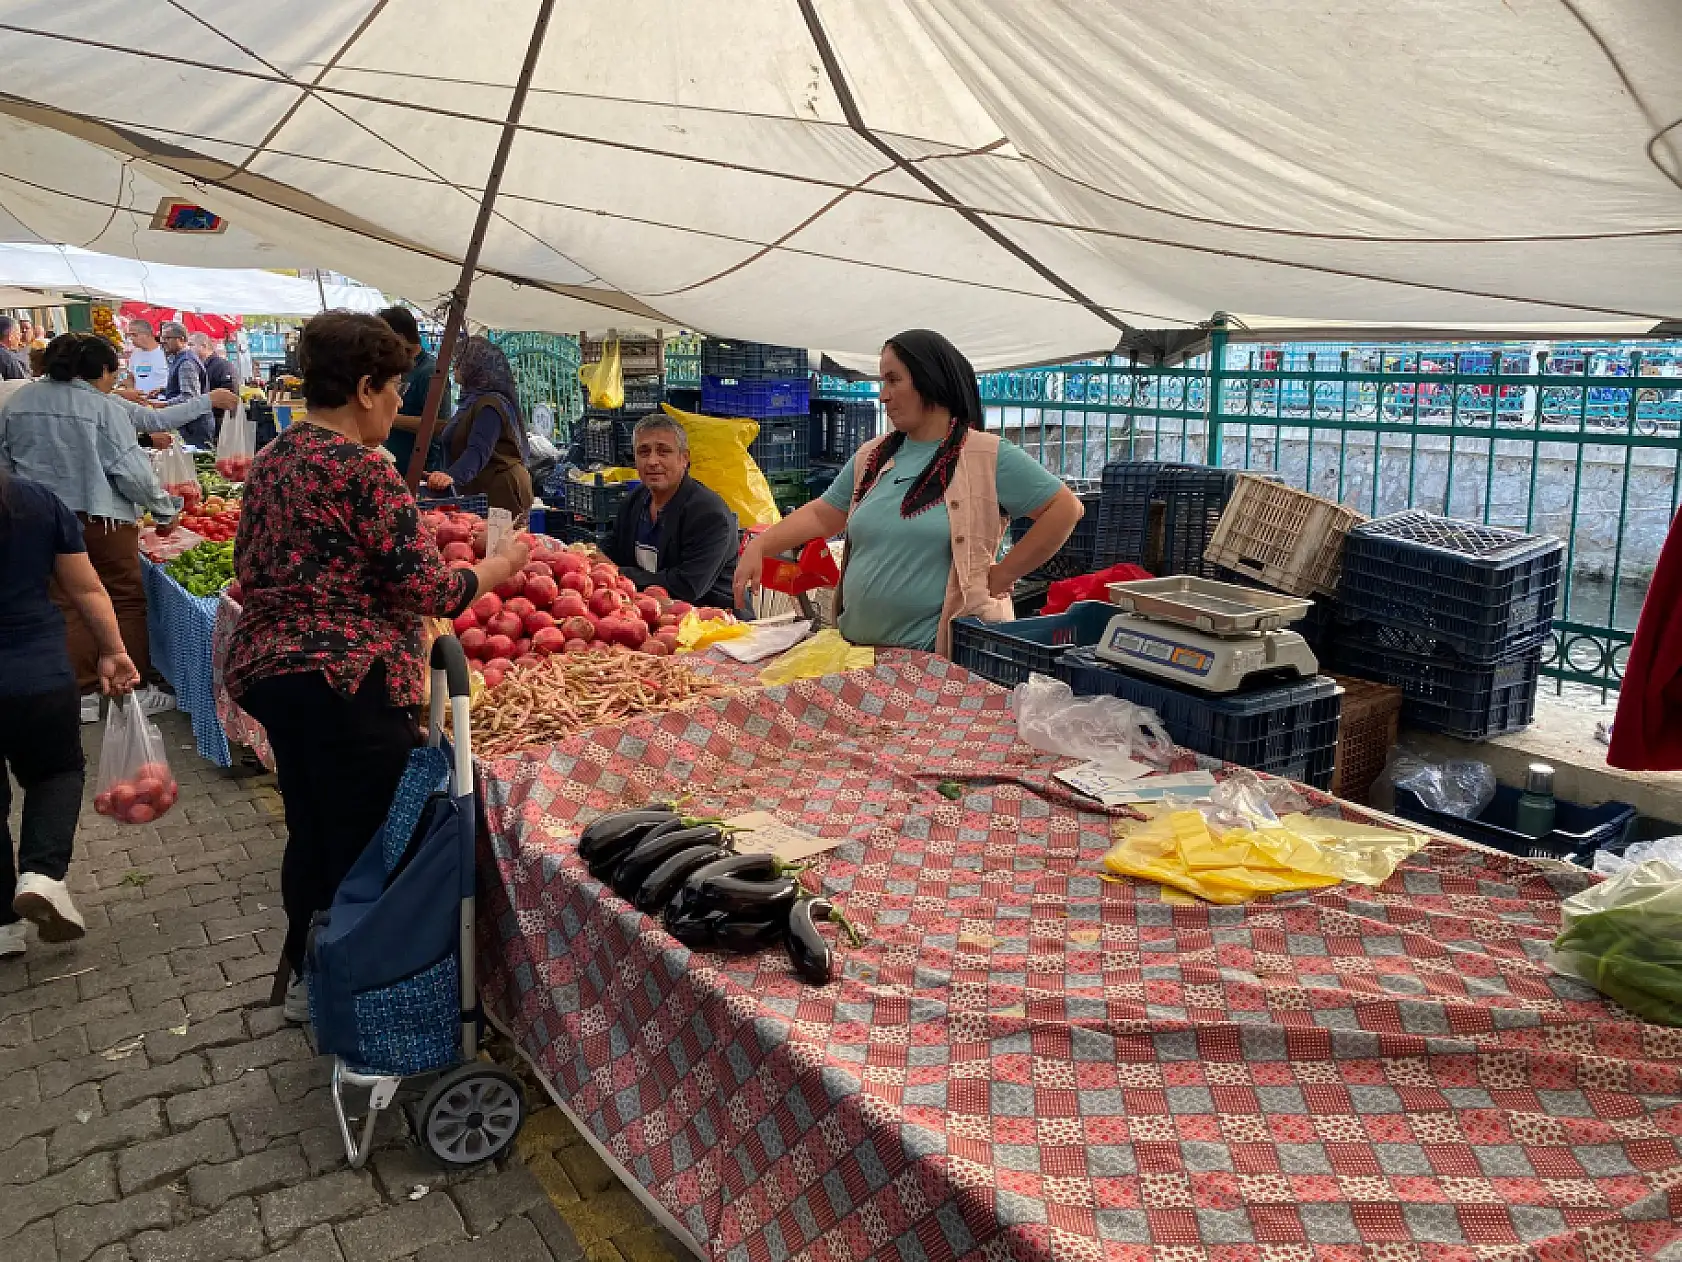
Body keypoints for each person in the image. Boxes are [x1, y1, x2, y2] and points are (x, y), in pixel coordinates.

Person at [225, 310, 529, 1021]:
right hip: (345, 683)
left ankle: (312, 965)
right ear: (365, 388)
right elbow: (428, 589)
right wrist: (496, 568)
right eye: (394, 389)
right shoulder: (363, 470)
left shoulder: (277, 456)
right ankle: (368, 998)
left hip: (271, 674)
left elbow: (250, 567)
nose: (400, 405)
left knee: (313, 822)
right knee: (372, 839)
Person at [735, 329, 1084, 656]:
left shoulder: (986, 455)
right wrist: (762, 544)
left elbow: (1065, 510)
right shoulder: (872, 456)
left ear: (930, 380)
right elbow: (823, 513)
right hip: (861, 654)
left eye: (893, 380)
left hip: (941, 662)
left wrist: (1005, 573)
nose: (883, 394)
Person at [0, 333, 181, 719]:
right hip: (102, 519)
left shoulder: (19, 401)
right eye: (113, 374)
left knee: (65, 600)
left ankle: (82, 694)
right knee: (124, 597)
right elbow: (131, 471)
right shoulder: (101, 406)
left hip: (39, 517)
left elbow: (5, 461)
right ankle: (135, 690)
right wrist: (165, 511)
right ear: (100, 371)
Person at [0, 470, 143, 956]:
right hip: (36, 675)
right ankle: (41, 873)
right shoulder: (34, 500)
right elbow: (86, 589)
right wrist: (113, 651)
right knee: (56, 771)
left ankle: (3, 927)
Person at [604, 414, 737, 607]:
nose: (652, 461)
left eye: (663, 451)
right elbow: (610, 549)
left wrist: (615, 573)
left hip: (714, 622)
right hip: (648, 613)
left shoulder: (709, 515)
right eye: (643, 452)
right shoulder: (634, 502)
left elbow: (687, 587)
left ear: (684, 459)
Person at [424, 336, 532, 514]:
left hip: (502, 491)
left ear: (474, 365)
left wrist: (451, 476)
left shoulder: (489, 404)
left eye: (460, 361)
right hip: (484, 487)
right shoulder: (471, 401)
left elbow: (478, 450)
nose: (454, 367)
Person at [375, 306, 449, 475]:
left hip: (420, 470)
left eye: (383, 340)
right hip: (394, 465)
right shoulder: (396, 367)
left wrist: (388, 416)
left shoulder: (431, 372)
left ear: (400, 338)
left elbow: (440, 425)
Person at [157, 322, 214, 447]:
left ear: (181, 339)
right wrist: (163, 390)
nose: (163, 342)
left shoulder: (186, 362)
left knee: (195, 462)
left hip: (194, 426)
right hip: (190, 423)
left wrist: (163, 404)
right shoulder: (181, 358)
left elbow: (190, 397)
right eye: (162, 338)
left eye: (167, 338)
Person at [190, 332, 238, 426]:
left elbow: (229, 394)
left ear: (204, 345)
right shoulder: (199, 366)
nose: (188, 349)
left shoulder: (222, 366)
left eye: (191, 344)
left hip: (220, 423)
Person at [125, 319, 169, 397]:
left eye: (134, 335)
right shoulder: (135, 354)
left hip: (162, 404)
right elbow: (130, 377)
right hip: (139, 403)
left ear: (147, 334)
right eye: (129, 335)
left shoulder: (166, 352)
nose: (131, 338)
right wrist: (131, 391)